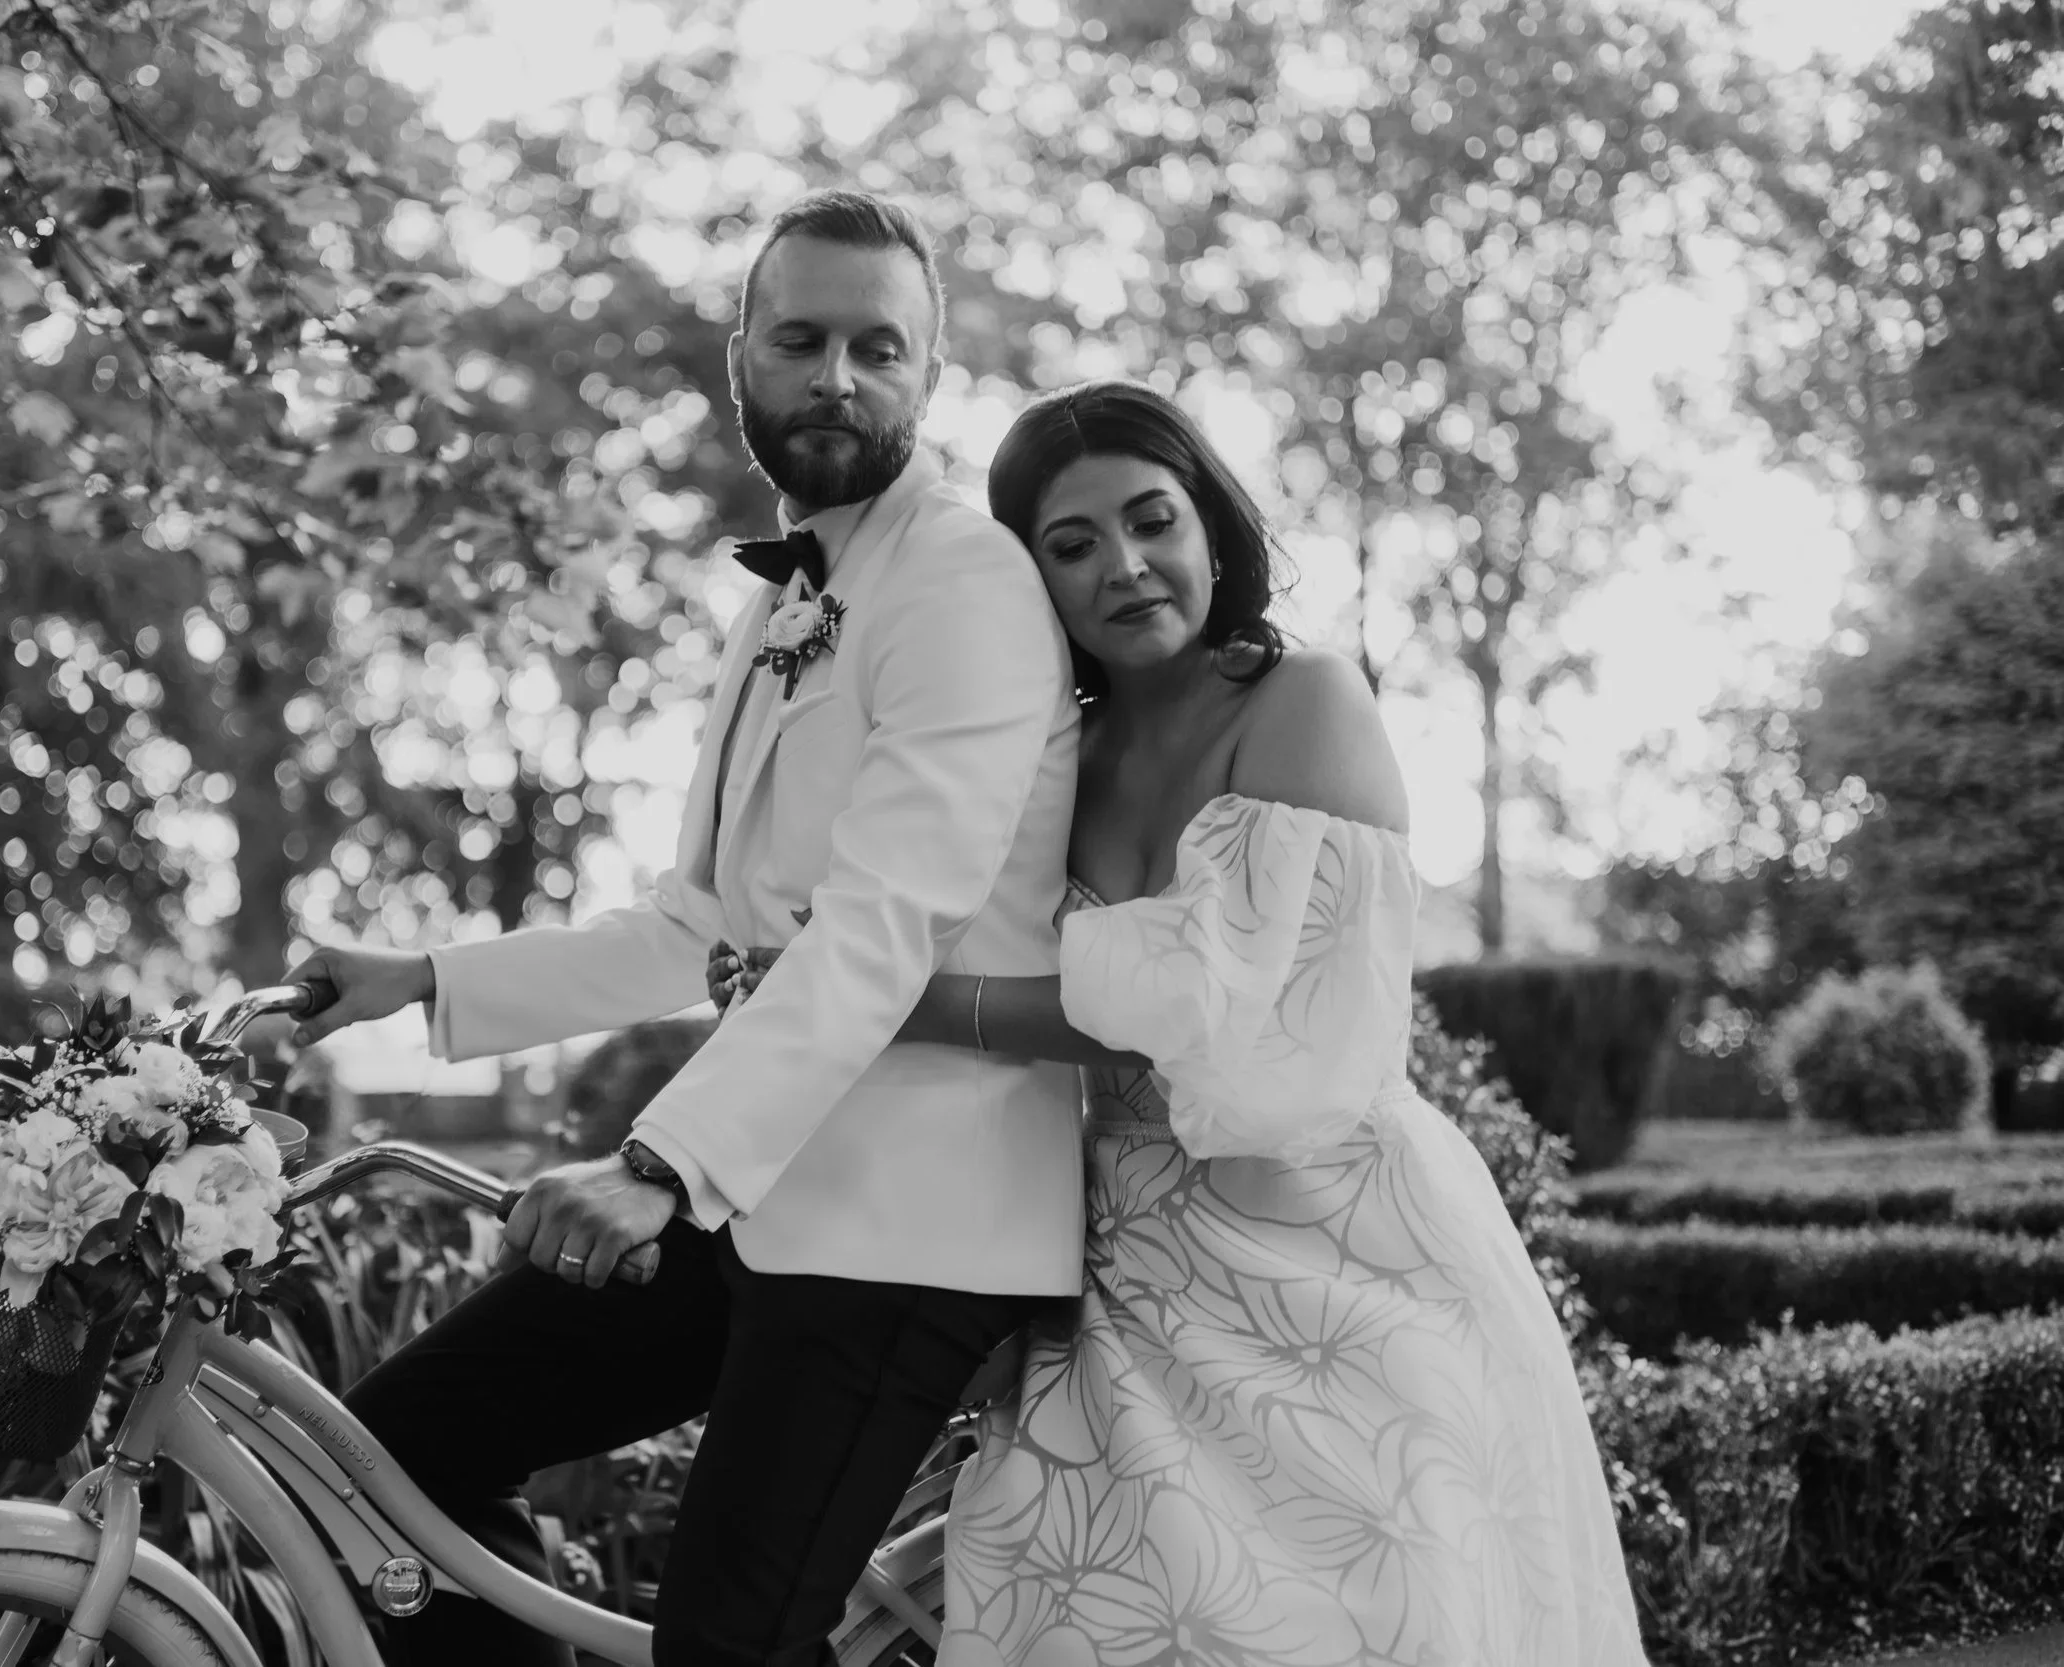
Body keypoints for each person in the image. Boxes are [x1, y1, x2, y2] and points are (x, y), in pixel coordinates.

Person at [713, 380, 1650, 1665]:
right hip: (1121, 1245)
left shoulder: (1304, 701)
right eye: (1072, 544)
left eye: (1152, 519)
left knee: (1349, 1607)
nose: (1126, 566)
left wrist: (890, 1005)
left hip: (1336, 1237)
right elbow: (910, 888)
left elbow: (1201, 1015)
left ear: (1211, 524)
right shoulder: (1056, 753)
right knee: (1074, 1585)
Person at [284, 189, 1086, 1667]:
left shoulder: (964, 580)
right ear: (742, 361)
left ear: (929, 374)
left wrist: (657, 1160)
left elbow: (880, 925)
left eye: (876, 346)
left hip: (908, 1224)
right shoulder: (782, 606)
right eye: (800, 339)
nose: (835, 376)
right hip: (765, 1191)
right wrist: (412, 980)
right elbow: (692, 924)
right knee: (385, 1457)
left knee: (729, 1642)